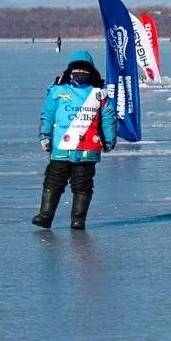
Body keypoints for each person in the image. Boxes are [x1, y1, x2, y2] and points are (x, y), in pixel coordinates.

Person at [34, 50, 116, 229]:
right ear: (69, 71)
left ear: (91, 72)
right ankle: (45, 215)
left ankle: (78, 220)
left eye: (84, 70)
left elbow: (109, 118)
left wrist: (109, 140)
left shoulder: (99, 94)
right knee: (54, 180)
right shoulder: (58, 91)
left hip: (88, 148)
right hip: (61, 148)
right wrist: (44, 136)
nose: (81, 73)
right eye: (77, 69)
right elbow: (47, 115)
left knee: (83, 183)